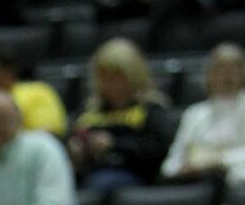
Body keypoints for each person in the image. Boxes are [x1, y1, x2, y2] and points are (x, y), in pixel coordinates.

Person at [69, 38, 175, 191]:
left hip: (133, 176)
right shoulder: (88, 110)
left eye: (116, 76)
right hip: (89, 173)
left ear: (133, 75)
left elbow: (158, 149)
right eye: (104, 76)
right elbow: (71, 136)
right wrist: (75, 149)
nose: (110, 83)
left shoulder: (151, 108)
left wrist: (115, 144)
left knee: (102, 184)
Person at [161, 42, 245, 187]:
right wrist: (183, 168)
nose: (226, 76)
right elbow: (170, 164)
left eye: (233, 69)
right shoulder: (193, 114)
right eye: (219, 70)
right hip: (194, 180)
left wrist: (218, 160)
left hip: (235, 179)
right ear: (209, 75)